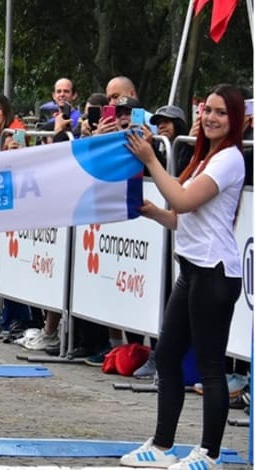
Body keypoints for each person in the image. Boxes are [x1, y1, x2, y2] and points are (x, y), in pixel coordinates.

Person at [119, 85, 247, 470]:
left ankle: (209, 453)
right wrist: (152, 211)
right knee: (168, 355)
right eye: (208, 110)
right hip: (191, 269)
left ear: (236, 119)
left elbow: (184, 200)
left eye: (221, 113)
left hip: (215, 274)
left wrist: (151, 161)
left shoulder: (229, 159)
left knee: (209, 366)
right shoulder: (204, 157)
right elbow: (180, 216)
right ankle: (162, 445)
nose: (210, 118)